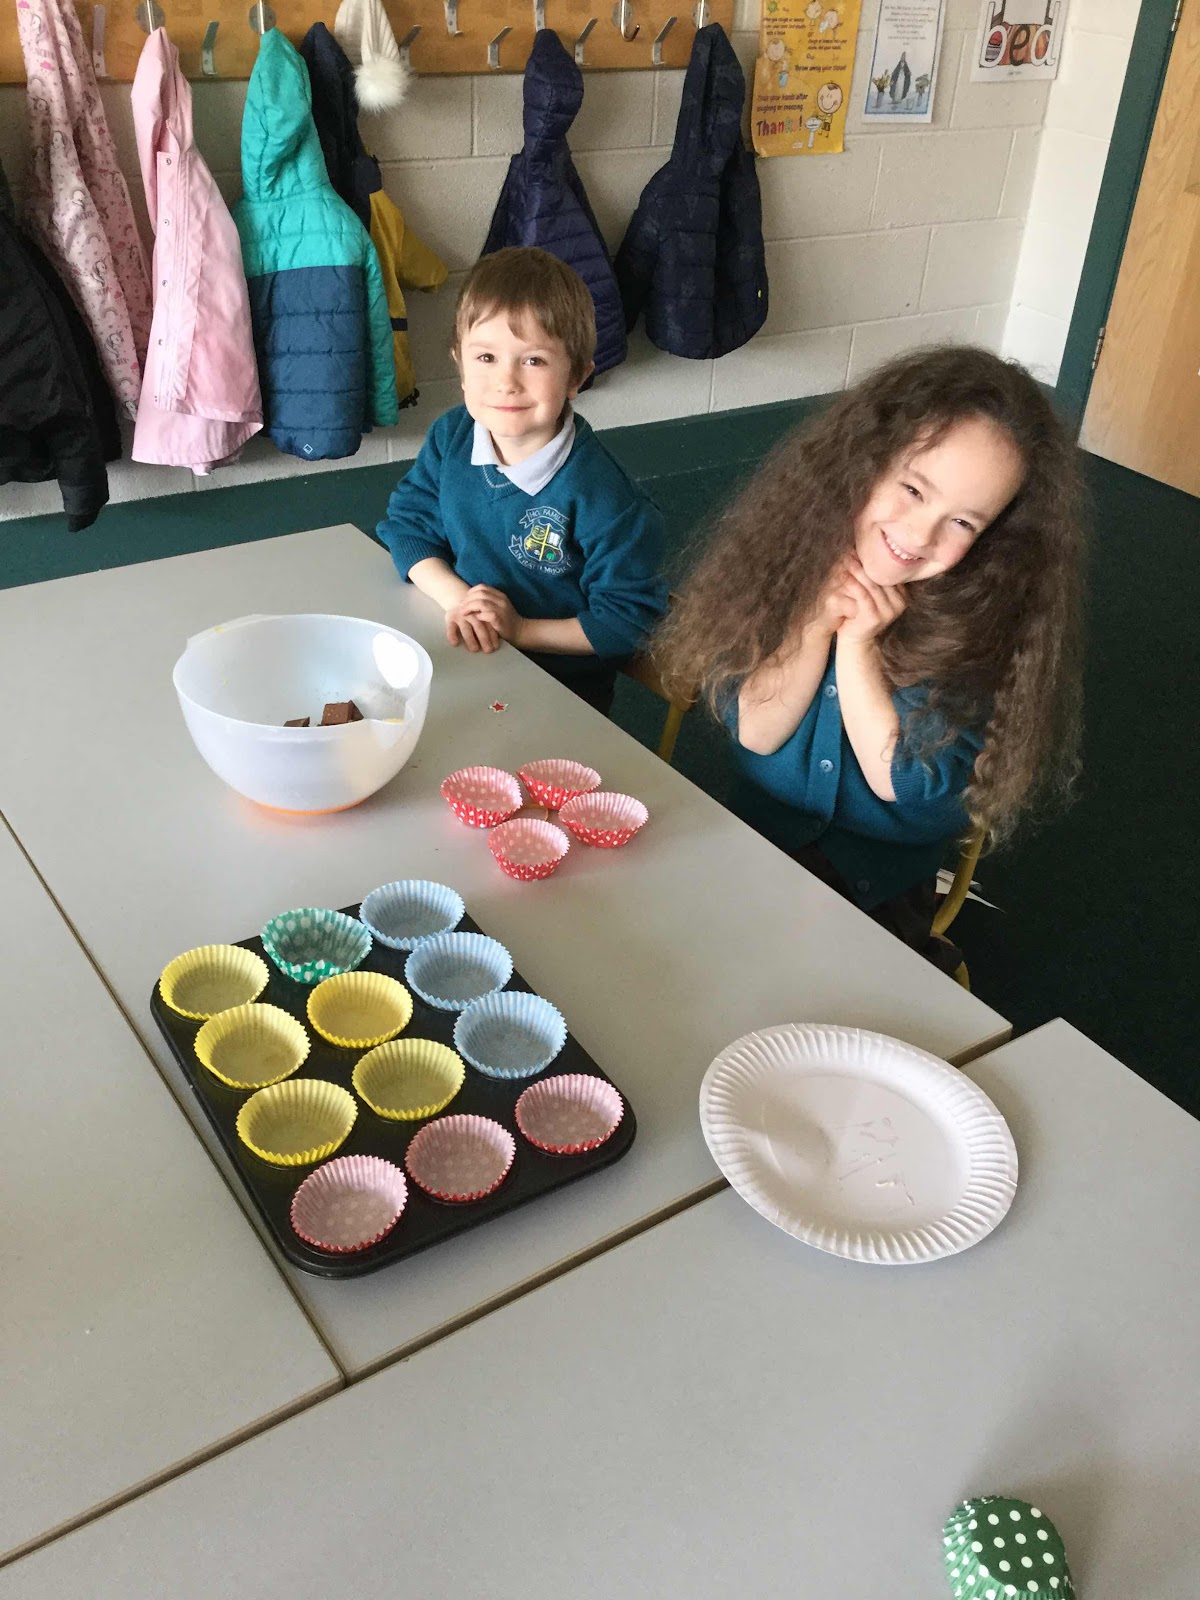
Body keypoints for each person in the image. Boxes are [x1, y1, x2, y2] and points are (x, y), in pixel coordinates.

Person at [656, 345, 1085, 969]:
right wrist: (814, 625)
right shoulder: (789, 562)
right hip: (752, 841)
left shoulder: (978, 626)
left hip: (875, 889)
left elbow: (909, 790)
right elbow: (755, 733)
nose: (919, 534)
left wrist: (858, 646)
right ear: (863, 464)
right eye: (912, 488)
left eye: (963, 523)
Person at [375, 247, 668, 714]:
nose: (506, 381)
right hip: (463, 656)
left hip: (560, 696)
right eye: (486, 357)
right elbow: (408, 527)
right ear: (459, 364)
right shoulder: (452, 435)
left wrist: (519, 630)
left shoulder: (607, 500)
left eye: (533, 361)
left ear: (576, 377)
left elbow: (627, 623)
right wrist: (462, 602)